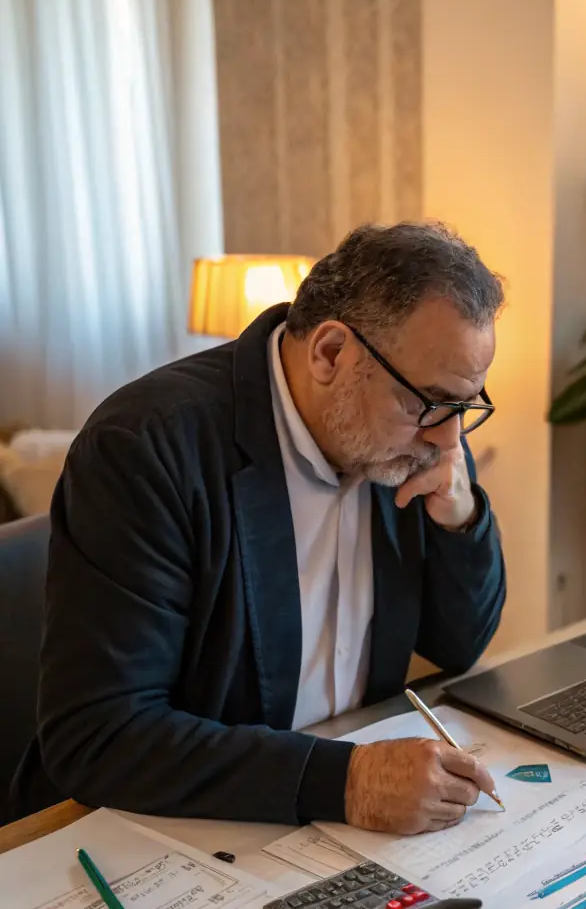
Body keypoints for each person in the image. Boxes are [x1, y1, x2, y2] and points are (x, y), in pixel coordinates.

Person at [11, 222, 507, 834]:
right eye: (429, 404)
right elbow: (100, 736)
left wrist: (463, 520)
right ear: (330, 354)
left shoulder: (409, 446)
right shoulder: (147, 448)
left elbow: (458, 647)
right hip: (163, 832)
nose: (449, 438)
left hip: (324, 830)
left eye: (465, 407)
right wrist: (344, 780)